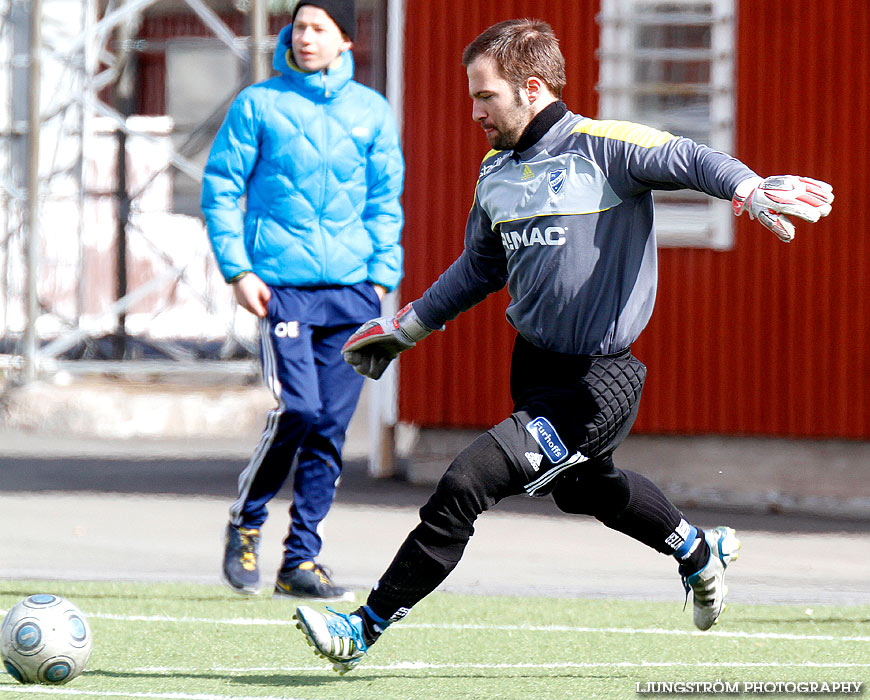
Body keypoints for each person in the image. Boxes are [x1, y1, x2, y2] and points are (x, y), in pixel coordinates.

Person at [292, 19, 834, 672]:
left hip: (598, 383)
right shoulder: (495, 174)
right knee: (584, 489)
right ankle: (695, 550)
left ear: (532, 87)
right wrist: (407, 328)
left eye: (484, 96)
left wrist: (747, 188)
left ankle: (362, 628)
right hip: (536, 371)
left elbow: (692, 158)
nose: (474, 112)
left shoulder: (605, 148)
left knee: (466, 481)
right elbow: (478, 269)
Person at [201, 0, 404, 602]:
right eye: (300, 27)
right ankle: (246, 520)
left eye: (321, 28)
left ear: (345, 40)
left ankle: (301, 560)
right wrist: (238, 270)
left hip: (352, 293)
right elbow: (220, 188)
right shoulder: (258, 104)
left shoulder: (372, 111)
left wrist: (382, 277)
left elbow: (384, 200)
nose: (306, 37)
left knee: (332, 430)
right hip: (282, 290)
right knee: (300, 411)